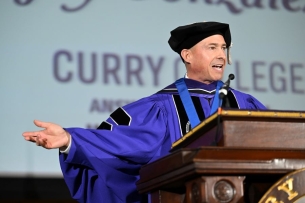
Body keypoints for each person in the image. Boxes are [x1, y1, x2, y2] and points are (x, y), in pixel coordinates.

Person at [23, 21, 266, 203]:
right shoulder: (160, 107)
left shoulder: (245, 104)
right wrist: (70, 139)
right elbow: (118, 144)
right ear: (187, 55)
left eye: (223, 48)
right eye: (212, 47)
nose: (221, 55)